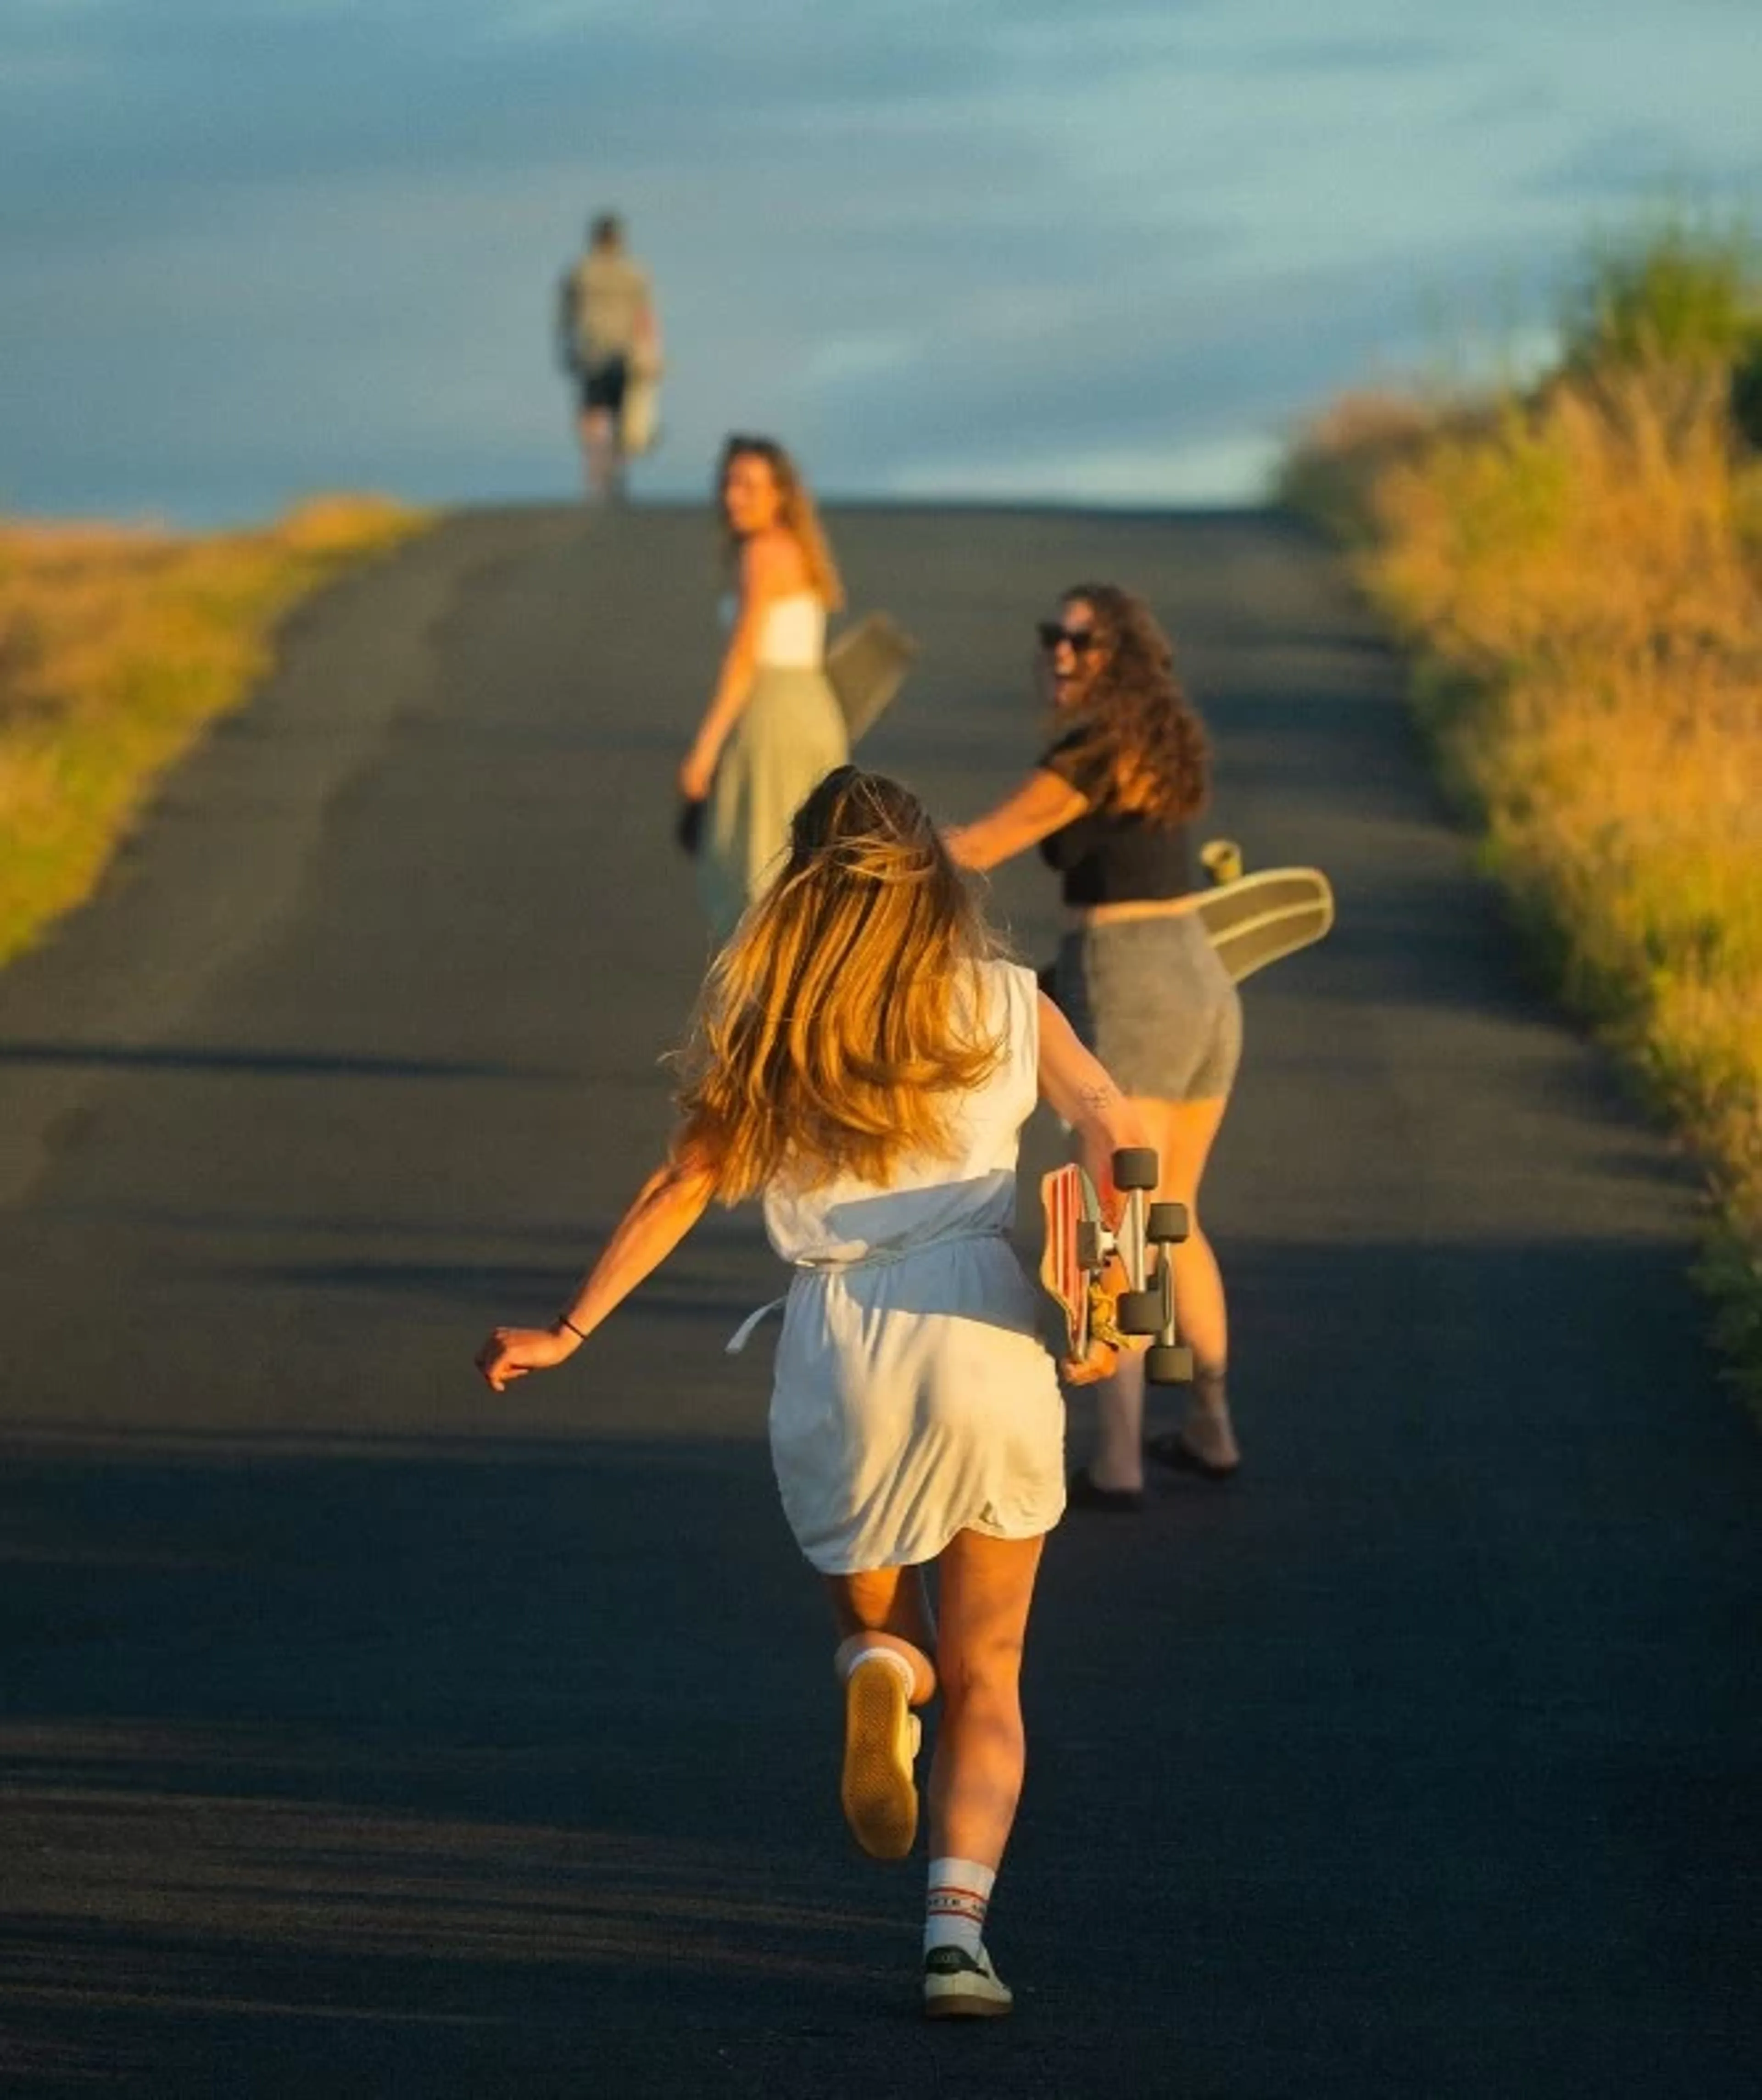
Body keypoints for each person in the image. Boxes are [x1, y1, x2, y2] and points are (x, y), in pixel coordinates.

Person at [475, 768, 1149, 2018]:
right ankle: (957, 1940)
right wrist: (1117, 1260)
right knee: (993, 1673)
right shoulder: (1009, 1003)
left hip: (842, 1347)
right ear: (934, 882)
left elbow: (677, 1186)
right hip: (984, 1332)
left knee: (886, 1631)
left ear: (801, 888)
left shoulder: (780, 1028)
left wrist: (571, 1328)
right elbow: (1109, 1122)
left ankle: (876, 1675)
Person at [945, 584, 1243, 1507]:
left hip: (1127, 976)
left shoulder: (1089, 755)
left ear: (1126, 654)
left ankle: (1117, 1457)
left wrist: (869, 853)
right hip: (1200, 975)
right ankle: (1210, 1423)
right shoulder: (1161, 745)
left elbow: (981, 845)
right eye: (1055, 637)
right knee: (1172, 1212)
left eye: (1086, 639)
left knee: (1112, 1221)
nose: (1065, 653)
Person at [680, 436, 849, 945]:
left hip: (772, 712)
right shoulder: (795, 549)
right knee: (803, 857)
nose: (735, 496)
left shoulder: (763, 551)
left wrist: (704, 749)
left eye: (750, 485)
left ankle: (769, 997)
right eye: (730, 482)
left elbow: (745, 653)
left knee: (757, 859)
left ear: (781, 494)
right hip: (814, 706)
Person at [557, 212, 657, 503]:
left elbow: (566, 317)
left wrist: (566, 348)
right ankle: (611, 469)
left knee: (596, 414)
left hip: (594, 352)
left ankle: (600, 471)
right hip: (621, 353)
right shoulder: (634, 273)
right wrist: (650, 353)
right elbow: (646, 317)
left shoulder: (580, 272)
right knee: (618, 414)